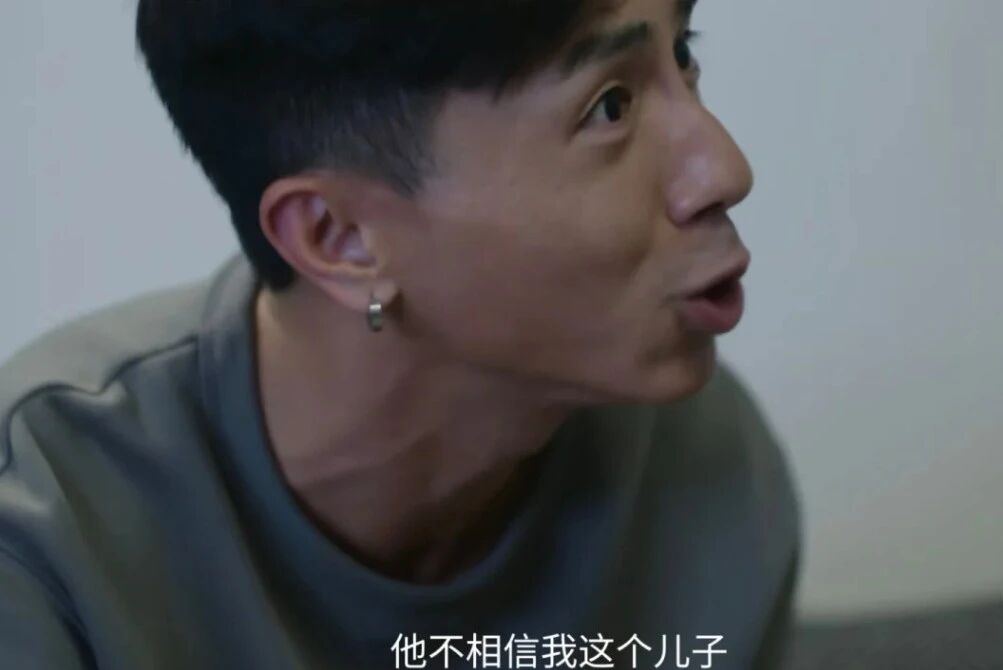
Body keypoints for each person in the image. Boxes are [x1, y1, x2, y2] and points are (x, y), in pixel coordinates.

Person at [0, 0, 802, 667]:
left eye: (683, 52)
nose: (724, 168)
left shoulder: (698, 472)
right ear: (340, 238)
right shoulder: (46, 534)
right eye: (610, 107)